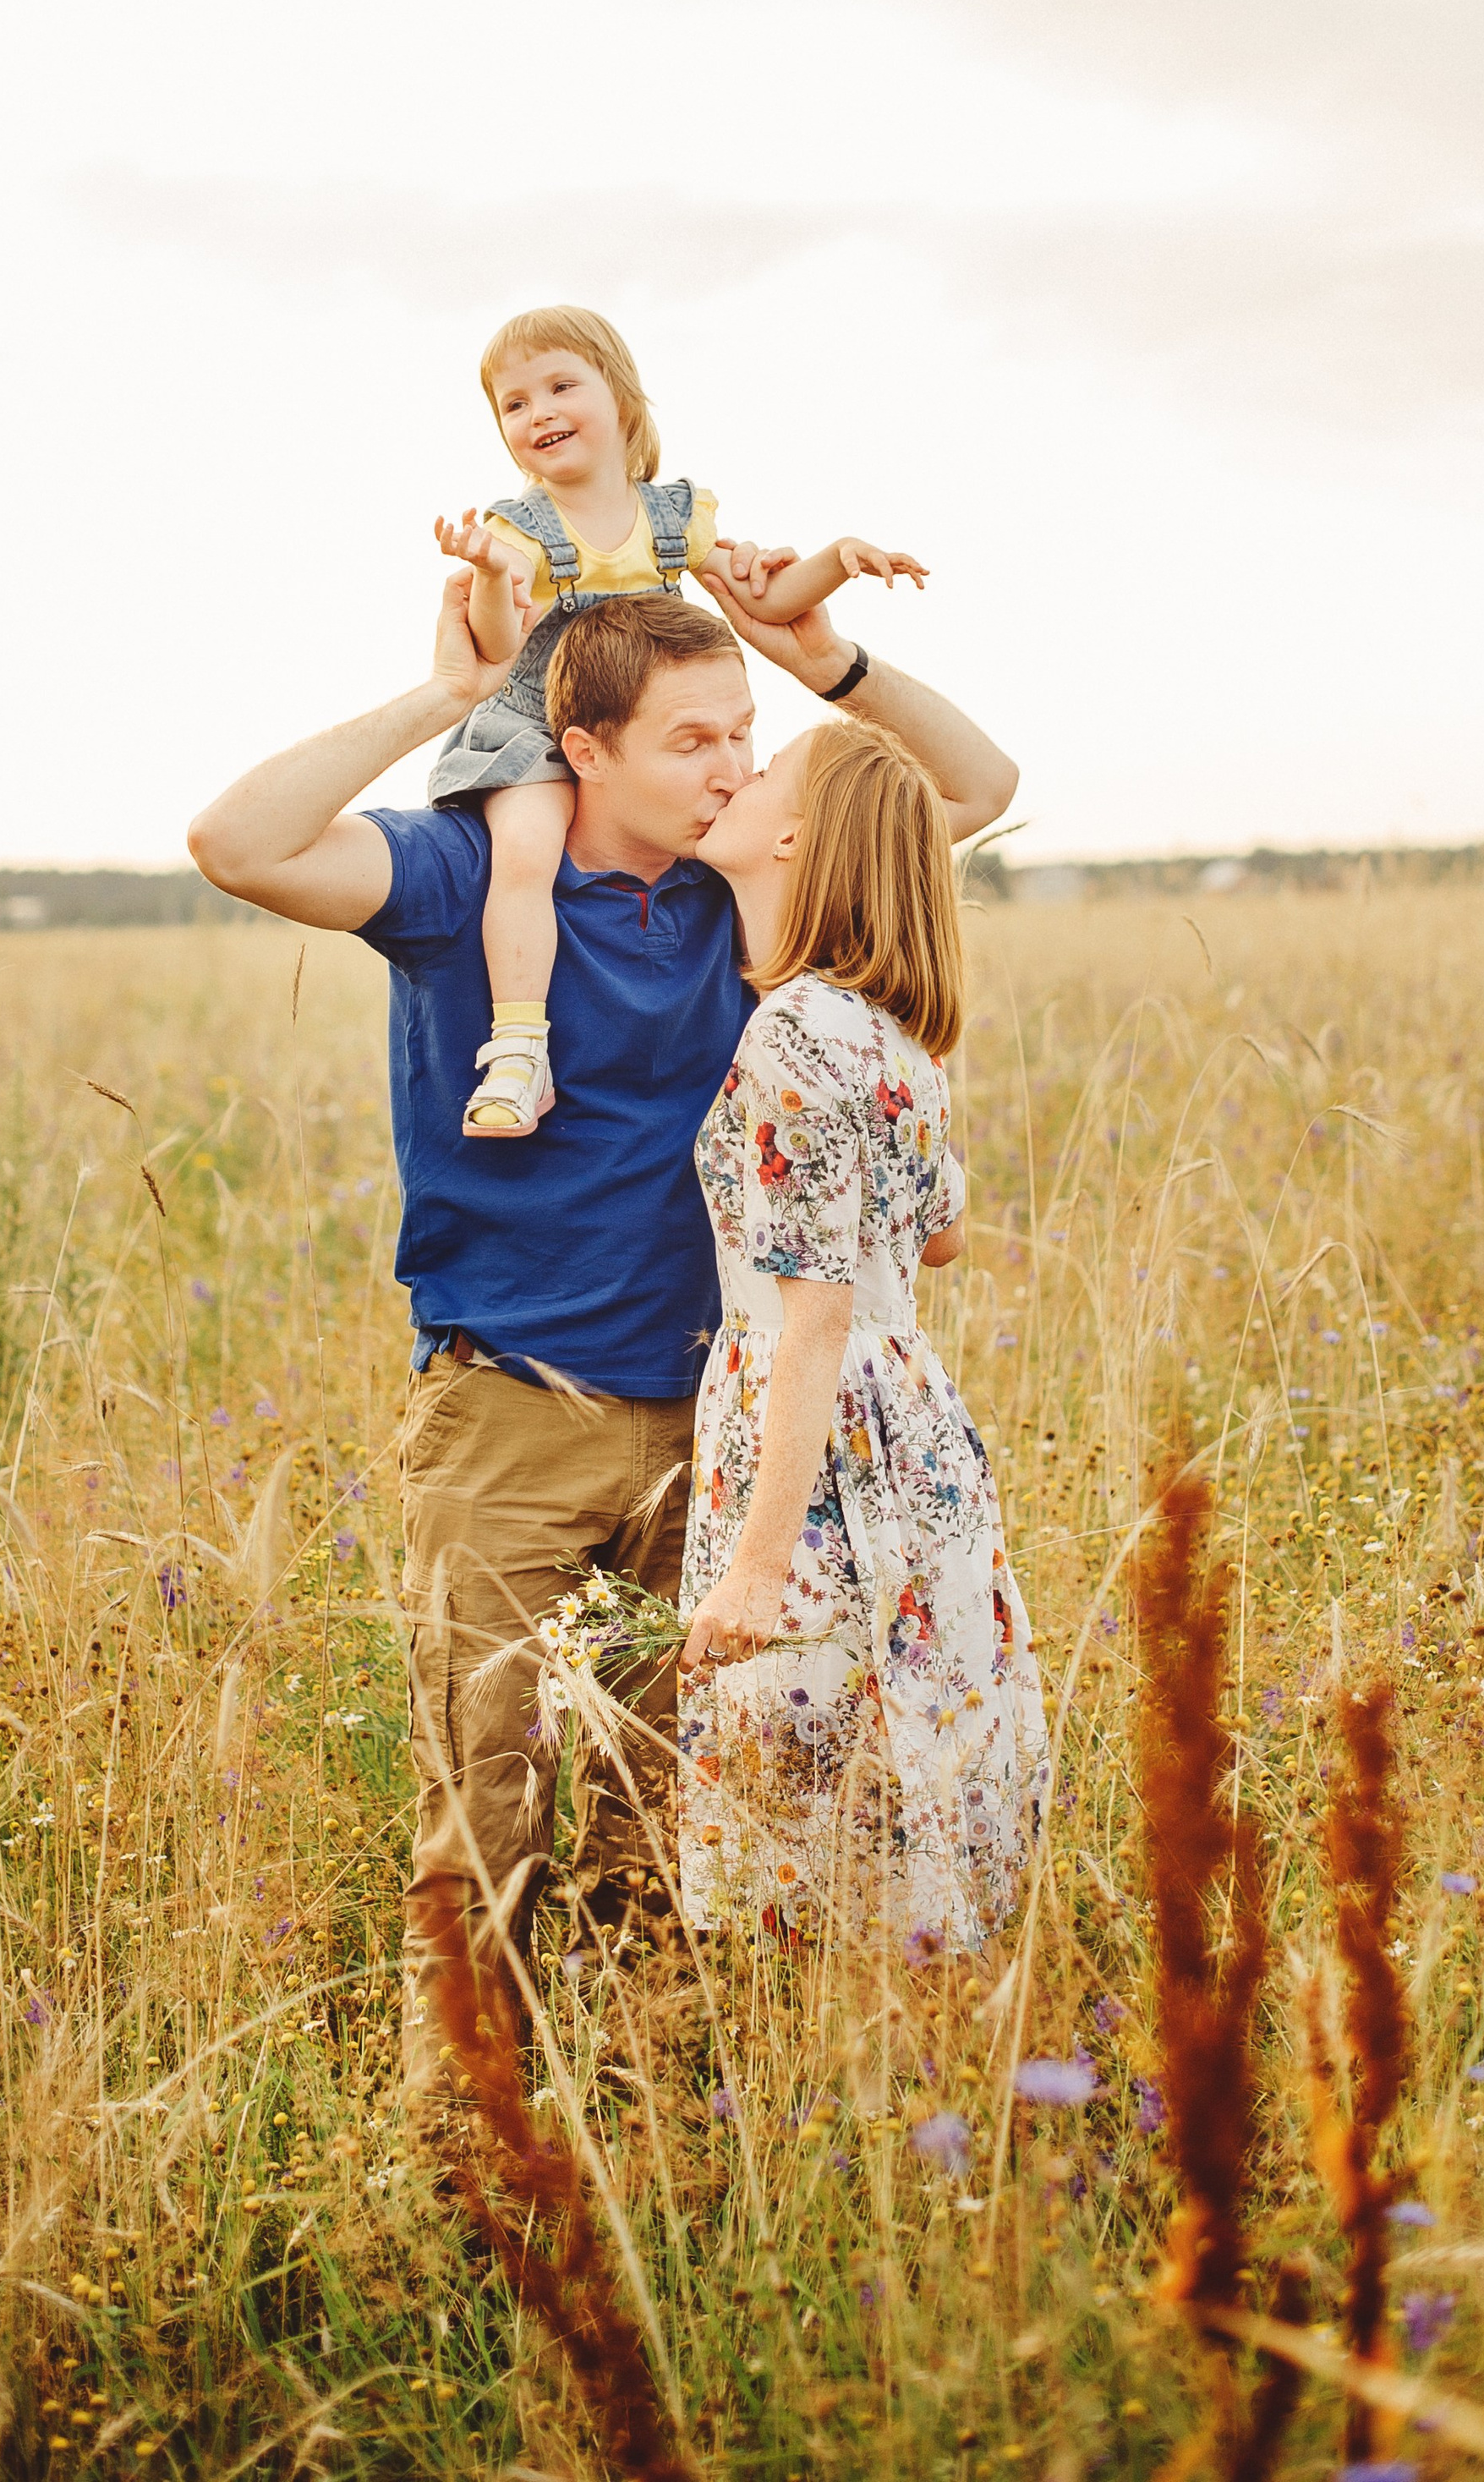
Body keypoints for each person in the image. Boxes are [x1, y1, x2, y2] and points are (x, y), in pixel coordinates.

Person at [185, 567, 1016, 2115]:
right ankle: (470, 2142)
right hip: (508, 1410)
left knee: (671, 1810)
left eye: (745, 735)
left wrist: (823, 653)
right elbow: (239, 842)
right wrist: (450, 698)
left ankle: (651, 2124)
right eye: (694, 739)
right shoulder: (464, 878)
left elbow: (968, 789)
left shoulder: (735, 880)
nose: (733, 767)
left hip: (717, 1425)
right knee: (484, 1804)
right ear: (586, 747)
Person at [677, 715, 1048, 1953]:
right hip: (914, 1419)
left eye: (765, 768)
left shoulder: (790, 1030)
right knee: (907, 1748)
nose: (739, 773)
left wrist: (757, 1564)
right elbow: (941, 1239)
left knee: (804, 1777)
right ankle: (924, 2011)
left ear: (796, 836)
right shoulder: (894, 1032)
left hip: (815, 1427)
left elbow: (815, 1319)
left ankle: (822, 2036)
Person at [430, 304, 924, 1137]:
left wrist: (836, 560)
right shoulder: (522, 530)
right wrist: (484, 571)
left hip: (647, 737)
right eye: (514, 403)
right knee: (524, 852)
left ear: (622, 399)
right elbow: (499, 637)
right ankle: (518, 1047)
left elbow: (766, 596)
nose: (538, 411)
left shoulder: (671, 517)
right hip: (536, 726)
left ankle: (796, 1039)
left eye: (560, 386)